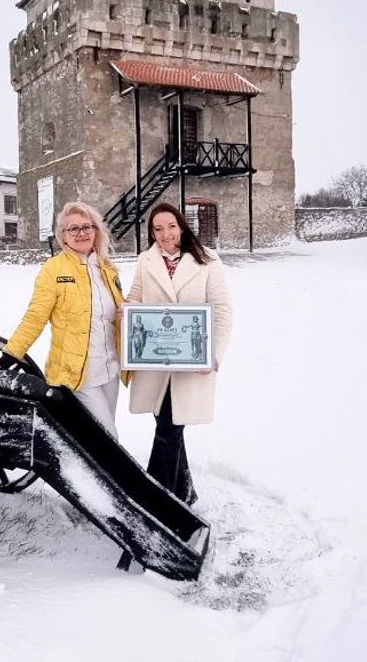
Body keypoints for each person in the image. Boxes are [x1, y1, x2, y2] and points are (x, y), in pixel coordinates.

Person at [123, 203, 233, 507]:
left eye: (170, 226)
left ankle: (157, 500)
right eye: (157, 229)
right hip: (156, 360)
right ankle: (185, 492)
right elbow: (136, 296)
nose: (165, 234)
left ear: (181, 226)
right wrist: (126, 310)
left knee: (169, 427)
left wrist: (213, 352)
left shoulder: (208, 260)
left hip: (191, 360)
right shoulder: (146, 261)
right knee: (167, 424)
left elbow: (222, 309)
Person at [0, 202, 124, 435]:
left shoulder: (108, 269)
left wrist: (127, 312)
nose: (82, 233)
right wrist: (7, 358)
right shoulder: (54, 270)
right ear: (63, 237)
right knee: (108, 439)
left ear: (96, 231)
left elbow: (114, 314)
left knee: (95, 439)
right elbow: (35, 317)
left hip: (110, 369)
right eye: (73, 229)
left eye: (87, 227)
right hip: (77, 373)